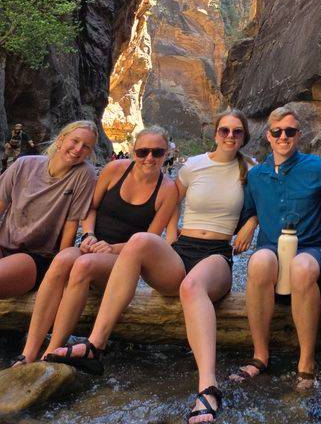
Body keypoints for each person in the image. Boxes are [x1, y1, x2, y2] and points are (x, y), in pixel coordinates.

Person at [48, 108, 257, 424]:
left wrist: (250, 222)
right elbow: (173, 206)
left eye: (236, 131)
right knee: (139, 241)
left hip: (216, 255)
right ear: (215, 132)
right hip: (182, 250)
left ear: (244, 136)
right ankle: (94, 346)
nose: (229, 136)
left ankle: (208, 387)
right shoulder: (192, 168)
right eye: (224, 130)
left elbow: (265, 203)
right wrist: (170, 240)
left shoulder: (251, 171)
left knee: (192, 286)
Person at [14, 126, 177, 366]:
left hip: (123, 258)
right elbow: (90, 208)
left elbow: (148, 240)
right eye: (143, 152)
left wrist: (111, 249)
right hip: (91, 244)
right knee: (60, 261)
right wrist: (89, 234)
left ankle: (52, 351)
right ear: (133, 152)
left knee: (83, 265)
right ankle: (28, 352)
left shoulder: (168, 190)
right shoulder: (114, 170)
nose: (149, 158)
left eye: (157, 152)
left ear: (167, 154)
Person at [230, 106, 321, 391]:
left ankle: (306, 361)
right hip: (272, 251)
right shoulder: (256, 176)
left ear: (298, 135)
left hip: (313, 250)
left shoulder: (319, 169)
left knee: (301, 267)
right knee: (258, 263)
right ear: (268, 135)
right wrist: (252, 221)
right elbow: (250, 210)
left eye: (290, 131)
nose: (283, 137)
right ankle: (260, 355)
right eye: (277, 132)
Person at [0, 120, 97, 299]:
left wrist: (59, 271)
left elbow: (71, 225)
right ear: (60, 140)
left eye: (86, 147)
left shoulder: (84, 175)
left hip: (35, 257)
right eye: (75, 141)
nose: (78, 149)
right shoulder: (23, 165)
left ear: (89, 153)